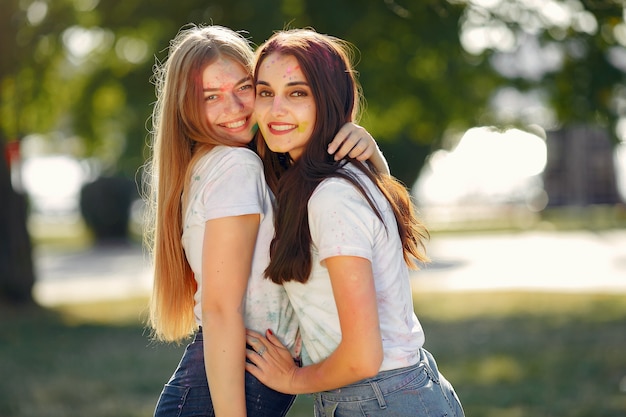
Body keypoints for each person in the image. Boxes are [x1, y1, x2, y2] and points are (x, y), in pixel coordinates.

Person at [144, 24, 388, 417]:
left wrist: (371, 156)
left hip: (222, 384)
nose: (236, 107)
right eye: (211, 96)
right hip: (224, 391)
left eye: (244, 88)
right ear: (185, 106)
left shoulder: (221, 163)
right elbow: (222, 311)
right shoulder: (235, 166)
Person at [245, 29, 465, 417]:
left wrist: (292, 380)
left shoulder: (332, 196)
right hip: (390, 394)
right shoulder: (325, 182)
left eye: (298, 93)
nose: (275, 109)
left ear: (329, 100)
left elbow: (363, 356)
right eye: (265, 92)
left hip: (380, 399)